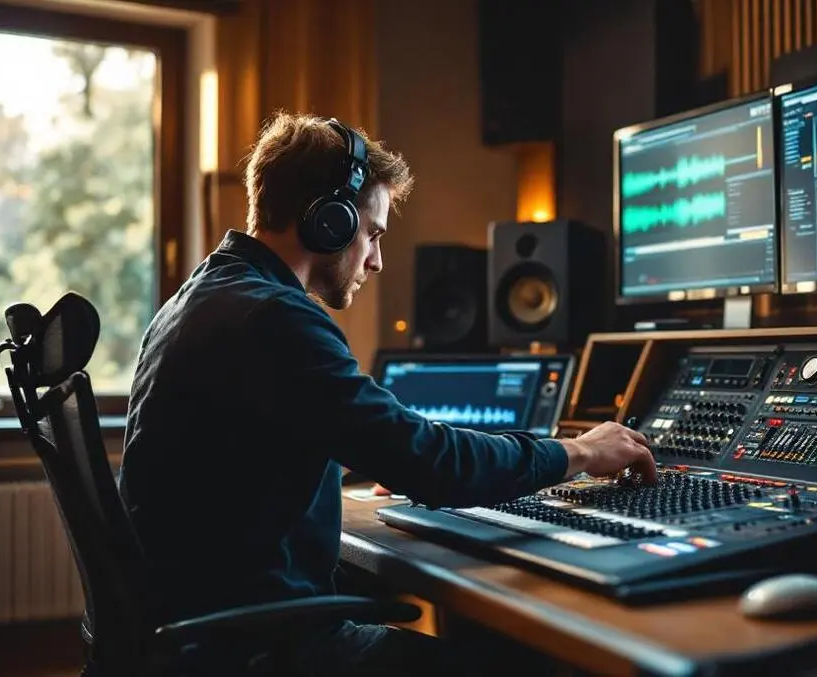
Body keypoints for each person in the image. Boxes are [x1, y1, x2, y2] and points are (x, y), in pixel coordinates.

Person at [117, 111, 656, 675]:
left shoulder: (203, 296)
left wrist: (374, 452)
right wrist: (581, 452)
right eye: (372, 233)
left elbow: (250, 455)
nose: (375, 260)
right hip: (256, 651)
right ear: (328, 220)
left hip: (194, 635)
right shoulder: (275, 317)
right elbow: (432, 463)